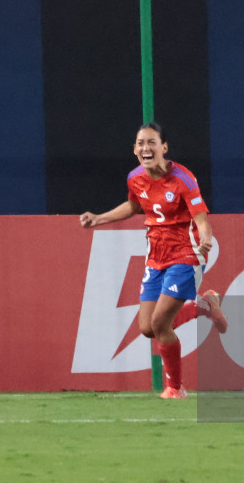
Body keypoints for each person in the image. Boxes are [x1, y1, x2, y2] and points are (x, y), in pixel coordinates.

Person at [80, 122, 227, 400]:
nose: (145, 148)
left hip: (187, 253)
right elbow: (134, 206)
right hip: (155, 255)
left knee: (161, 324)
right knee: (148, 328)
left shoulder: (183, 178)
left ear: (164, 147)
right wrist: (99, 218)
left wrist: (206, 238)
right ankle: (204, 305)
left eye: (151, 143)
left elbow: (201, 219)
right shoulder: (135, 177)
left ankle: (175, 388)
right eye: (140, 143)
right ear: (135, 149)